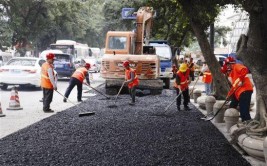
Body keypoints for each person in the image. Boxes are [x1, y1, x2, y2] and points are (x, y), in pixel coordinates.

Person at [222, 57, 253, 122]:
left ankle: (247, 122)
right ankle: (230, 119)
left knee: (244, 110)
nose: (227, 73)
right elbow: (233, 88)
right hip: (239, 93)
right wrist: (228, 96)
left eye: (228, 71)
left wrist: (241, 80)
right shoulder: (232, 76)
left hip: (245, 91)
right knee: (232, 105)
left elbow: (244, 69)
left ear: (230, 64)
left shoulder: (236, 66)